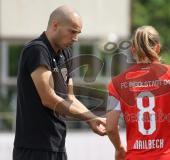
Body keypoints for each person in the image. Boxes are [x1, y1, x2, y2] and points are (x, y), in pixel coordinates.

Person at [13, 5, 106, 160]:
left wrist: (92, 118)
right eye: (72, 31)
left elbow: (70, 98)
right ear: (55, 25)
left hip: (58, 146)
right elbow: (48, 98)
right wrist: (88, 117)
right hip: (33, 148)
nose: (76, 38)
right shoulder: (37, 50)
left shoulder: (65, 54)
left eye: (78, 33)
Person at [106, 26, 170, 160]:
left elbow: (110, 127)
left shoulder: (116, 83)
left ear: (133, 51)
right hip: (169, 156)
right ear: (158, 48)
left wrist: (119, 148)